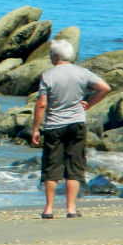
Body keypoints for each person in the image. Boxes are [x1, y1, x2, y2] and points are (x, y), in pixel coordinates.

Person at [31, 38, 110, 219]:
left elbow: (41, 104)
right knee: (74, 166)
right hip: (76, 123)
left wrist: (36, 128)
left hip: (54, 125)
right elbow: (104, 88)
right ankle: (71, 208)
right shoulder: (82, 72)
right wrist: (88, 105)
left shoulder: (48, 75)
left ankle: (49, 208)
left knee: (51, 167)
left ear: (55, 56)